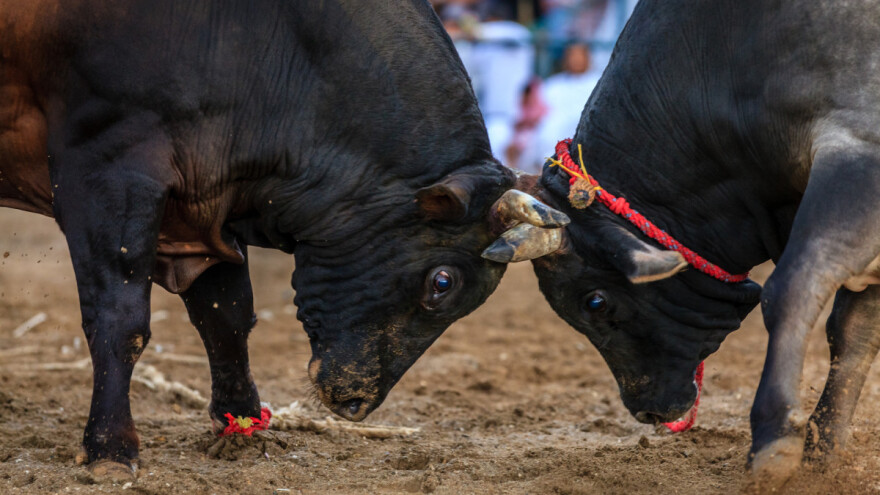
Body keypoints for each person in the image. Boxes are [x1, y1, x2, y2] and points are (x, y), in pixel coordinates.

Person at [469, 2, 535, 159]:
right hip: (492, 112)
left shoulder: (516, 32)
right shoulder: (484, 46)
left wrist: (463, 27)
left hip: (516, 113)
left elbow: (477, 32)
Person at [531, 42, 601, 169]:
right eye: (572, 56)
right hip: (556, 133)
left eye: (579, 55)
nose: (576, 60)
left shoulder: (598, 83)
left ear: (588, 58)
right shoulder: (553, 84)